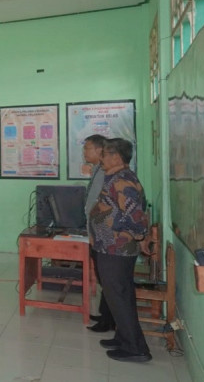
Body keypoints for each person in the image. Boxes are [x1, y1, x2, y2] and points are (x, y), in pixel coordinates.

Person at [89, 138, 151, 362]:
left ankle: (136, 348)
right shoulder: (115, 178)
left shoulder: (123, 181)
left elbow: (135, 216)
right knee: (118, 296)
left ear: (116, 157)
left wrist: (140, 237)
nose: (101, 159)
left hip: (118, 249)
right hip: (109, 247)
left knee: (120, 296)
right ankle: (123, 338)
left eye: (104, 154)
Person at [82, 134, 115, 333]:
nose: (84, 152)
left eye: (87, 148)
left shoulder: (104, 173)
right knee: (103, 278)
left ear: (99, 150)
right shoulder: (96, 170)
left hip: (103, 234)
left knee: (107, 279)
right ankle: (105, 316)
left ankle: (109, 321)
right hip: (95, 232)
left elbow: (100, 205)